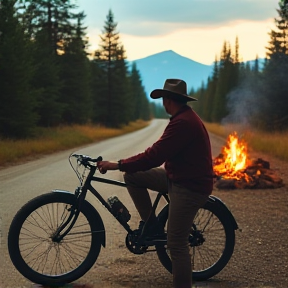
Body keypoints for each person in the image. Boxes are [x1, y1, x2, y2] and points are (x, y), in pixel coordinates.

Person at [97, 78, 214, 288]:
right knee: (133, 176)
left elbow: (153, 156)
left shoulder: (183, 123)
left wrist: (118, 164)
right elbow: (157, 154)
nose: (162, 102)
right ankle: (152, 227)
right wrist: (126, 167)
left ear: (169, 100)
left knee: (176, 244)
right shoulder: (182, 118)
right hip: (177, 176)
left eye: (163, 99)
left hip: (189, 187)